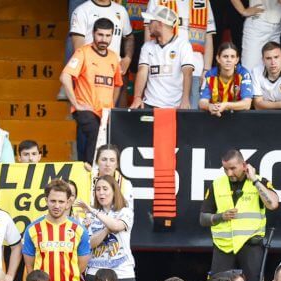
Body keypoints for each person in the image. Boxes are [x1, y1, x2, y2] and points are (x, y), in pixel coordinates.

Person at [200, 149, 279, 281]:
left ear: (244, 165)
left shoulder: (259, 181)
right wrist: (221, 216)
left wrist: (254, 180)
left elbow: (273, 204)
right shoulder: (217, 184)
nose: (229, 173)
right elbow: (203, 218)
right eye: (225, 169)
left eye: (232, 168)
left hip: (251, 244)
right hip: (224, 246)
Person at [61, 18, 123, 164]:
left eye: (108, 36)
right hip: (85, 108)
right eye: (100, 35)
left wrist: (112, 104)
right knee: (95, 134)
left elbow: (118, 84)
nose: (104, 39)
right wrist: (76, 104)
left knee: (106, 144)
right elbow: (65, 76)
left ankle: (97, 173)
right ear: (93, 33)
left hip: (105, 112)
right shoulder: (83, 52)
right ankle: (91, 171)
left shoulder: (114, 57)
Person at [144, 0, 216, 106]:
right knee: (164, 115)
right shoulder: (157, 1)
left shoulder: (203, 2)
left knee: (190, 114)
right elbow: (149, 34)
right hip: (165, 69)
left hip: (195, 69)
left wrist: (206, 70)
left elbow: (208, 38)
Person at [76, 175, 135, 281]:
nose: (101, 193)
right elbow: (90, 243)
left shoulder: (125, 211)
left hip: (122, 272)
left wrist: (94, 211)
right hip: (95, 273)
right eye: (98, 189)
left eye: (105, 189)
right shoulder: (89, 216)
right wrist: (107, 228)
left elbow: (117, 226)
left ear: (114, 191)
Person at [131, 6, 194, 109]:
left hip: (175, 106)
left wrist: (185, 99)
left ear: (160, 23)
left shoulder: (183, 45)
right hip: (150, 104)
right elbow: (142, 71)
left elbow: (188, 73)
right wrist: (137, 97)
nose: (148, 25)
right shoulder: (147, 46)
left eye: (151, 21)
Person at [70, 0, 133, 77]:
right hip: (90, 72)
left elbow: (129, 37)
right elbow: (78, 46)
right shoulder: (82, 10)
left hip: (113, 70)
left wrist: (127, 58)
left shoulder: (121, 10)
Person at [198, 42, 253, 117]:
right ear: (218, 58)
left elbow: (247, 104)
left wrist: (226, 105)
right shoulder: (210, 75)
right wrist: (209, 106)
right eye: (225, 56)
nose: (229, 60)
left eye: (232, 57)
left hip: (238, 118)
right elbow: (202, 102)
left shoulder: (244, 74)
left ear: (237, 60)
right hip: (214, 118)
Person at [233, 0, 281, 76]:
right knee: (250, 70)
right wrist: (243, 11)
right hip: (257, 23)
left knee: (275, 71)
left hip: (279, 25)